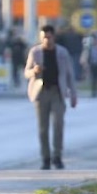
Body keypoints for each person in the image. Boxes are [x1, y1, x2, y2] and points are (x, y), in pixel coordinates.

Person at [25, 25, 78, 170]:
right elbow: (26, 72)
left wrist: (73, 94)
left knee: (58, 124)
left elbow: (69, 75)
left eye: (49, 37)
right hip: (41, 92)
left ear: (53, 37)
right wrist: (34, 72)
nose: (46, 40)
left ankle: (57, 156)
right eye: (43, 38)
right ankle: (45, 157)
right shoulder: (35, 52)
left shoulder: (62, 53)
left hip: (57, 92)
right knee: (43, 128)